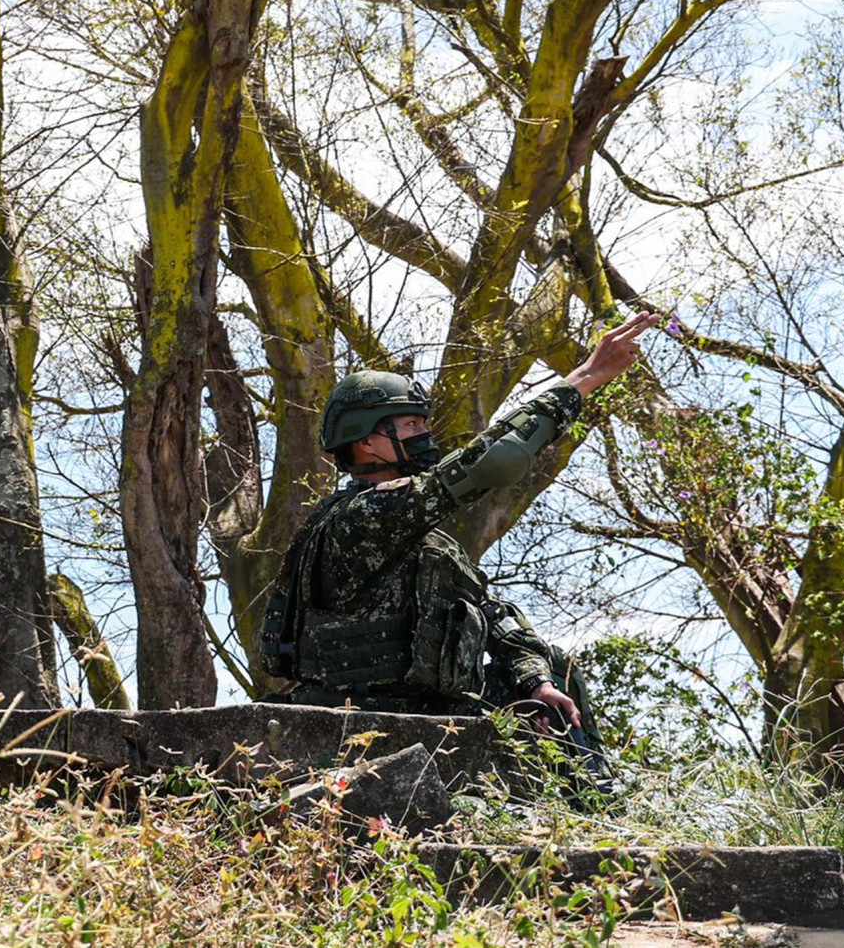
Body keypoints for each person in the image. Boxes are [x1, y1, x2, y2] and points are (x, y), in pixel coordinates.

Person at [259, 312, 657, 761]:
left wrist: (535, 681)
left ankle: (596, 801)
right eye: (409, 425)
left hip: (432, 708)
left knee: (555, 668)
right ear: (366, 441)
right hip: (362, 718)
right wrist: (585, 376)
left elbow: (490, 612)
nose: (425, 433)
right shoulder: (363, 517)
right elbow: (490, 461)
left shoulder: (425, 539)